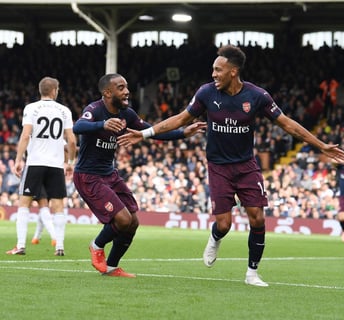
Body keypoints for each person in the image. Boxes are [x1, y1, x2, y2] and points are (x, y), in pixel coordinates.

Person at [117, 45, 344, 286]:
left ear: (233, 71)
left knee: (258, 219)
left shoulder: (257, 96)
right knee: (224, 224)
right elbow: (180, 119)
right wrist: (145, 134)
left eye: (219, 69)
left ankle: (252, 273)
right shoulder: (206, 93)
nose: (214, 74)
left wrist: (321, 145)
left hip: (246, 165)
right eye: (213, 69)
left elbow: (288, 124)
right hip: (218, 166)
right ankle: (215, 237)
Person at [73, 73, 206, 278]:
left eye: (126, 86)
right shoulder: (95, 110)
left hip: (110, 174)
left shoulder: (128, 114)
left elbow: (152, 131)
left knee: (133, 222)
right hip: (89, 176)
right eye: (120, 87)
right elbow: (78, 127)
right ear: (107, 93)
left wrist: (183, 133)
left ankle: (111, 267)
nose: (126, 91)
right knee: (123, 220)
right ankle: (96, 245)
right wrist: (102, 124)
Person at [6, 76, 76, 256]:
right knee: (59, 205)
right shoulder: (64, 111)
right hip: (55, 164)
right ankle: (59, 246)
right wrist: (70, 163)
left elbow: (25, 135)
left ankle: (21, 246)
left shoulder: (31, 108)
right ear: (54, 91)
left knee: (24, 203)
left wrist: (19, 159)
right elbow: (72, 140)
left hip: (35, 162)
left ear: (41, 90)